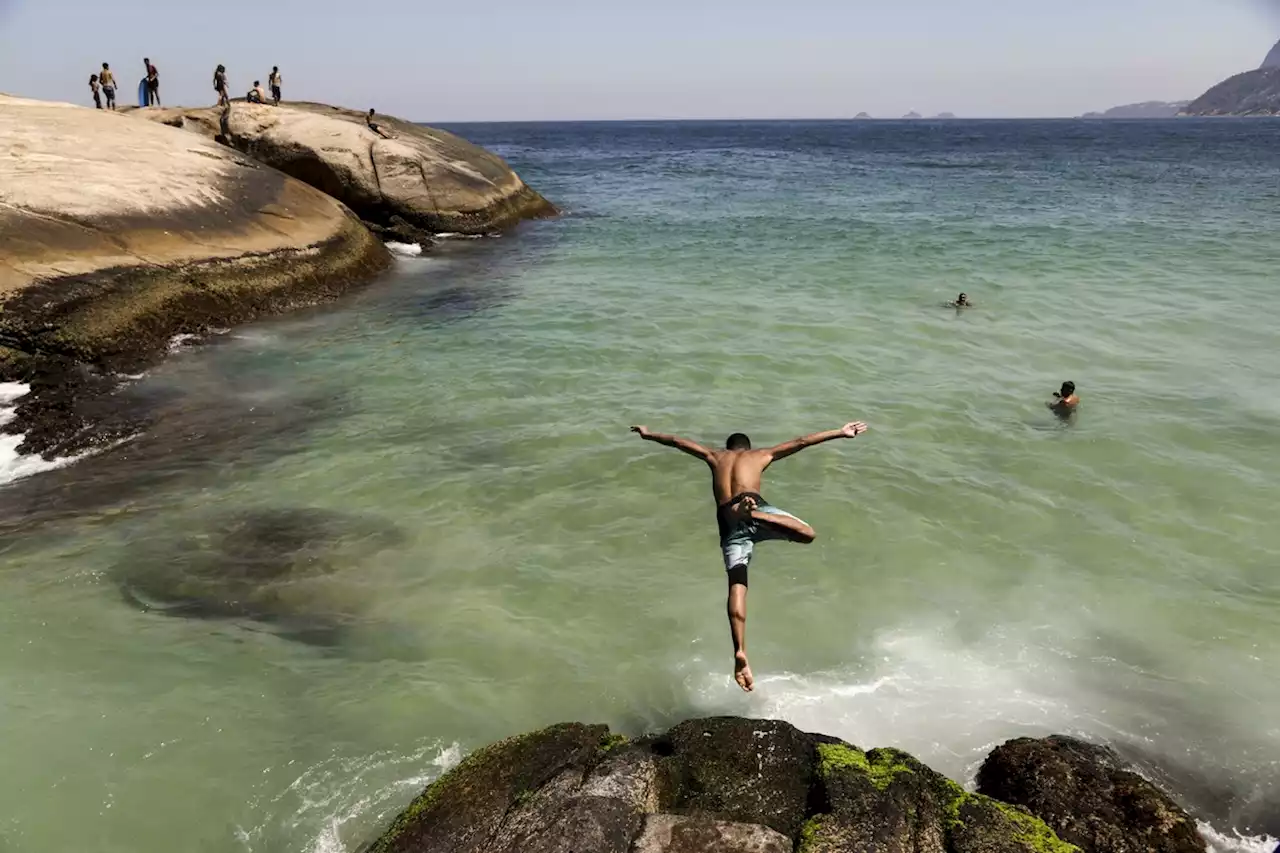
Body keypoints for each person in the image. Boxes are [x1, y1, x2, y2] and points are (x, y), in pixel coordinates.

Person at [630, 421, 869, 692]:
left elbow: (676, 441)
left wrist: (648, 435)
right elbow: (802, 441)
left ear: (728, 448)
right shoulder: (760, 455)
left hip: (728, 519)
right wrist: (840, 432)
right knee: (807, 534)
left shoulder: (714, 456)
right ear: (748, 448)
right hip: (754, 506)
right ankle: (755, 514)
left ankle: (740, 651)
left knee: (737, 585)